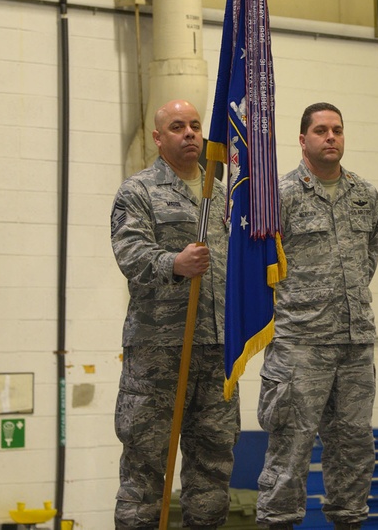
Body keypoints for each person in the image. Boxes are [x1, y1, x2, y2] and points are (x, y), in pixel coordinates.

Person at [110, 99, 239, 530]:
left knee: (213, 471)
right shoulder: (139, 191)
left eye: (195, 126)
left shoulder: (222, 196)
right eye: (178, 126)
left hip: (216, 350)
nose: (189, 134)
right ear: (158, 137)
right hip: (158, 354)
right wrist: (174, 264)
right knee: (145, 470)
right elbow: (130, 254)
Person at [256, 102, 378, 530]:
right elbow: (262, 269)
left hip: (354, 344)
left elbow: (369, 261)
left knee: (354, 449)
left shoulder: (366, 195)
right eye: (321, 130)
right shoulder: (280, 195)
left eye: (338, 130)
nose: (331, 137)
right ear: (303, 139)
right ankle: (278, 522)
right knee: (290, 450)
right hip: (300, 346)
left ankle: (349, 522)